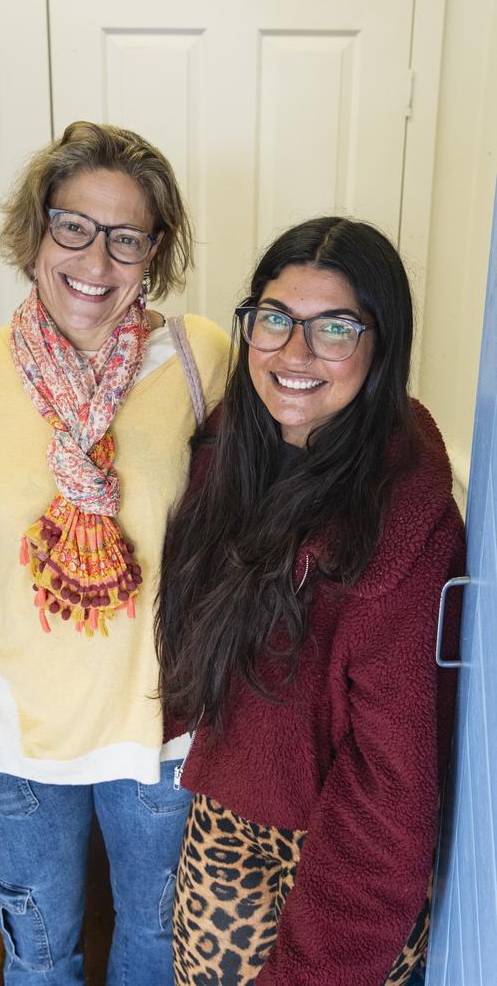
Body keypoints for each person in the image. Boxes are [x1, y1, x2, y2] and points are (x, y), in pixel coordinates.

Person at [0, 120, 230, 985]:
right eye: (73, 225)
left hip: (161, 723)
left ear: (153, 254)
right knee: (40, 955)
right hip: (16, 733)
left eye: (127, 238)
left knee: (157, 947)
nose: (97, 259)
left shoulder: (199, 359)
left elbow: (245, 511)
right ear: (36, 230)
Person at [156, 217, 465, 986]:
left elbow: (391, 791)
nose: (294, 355)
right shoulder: (230, 449)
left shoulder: (405, 524)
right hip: (228, 813)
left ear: (381, 344)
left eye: (333, 328)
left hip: (337, 858)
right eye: (274, 320)